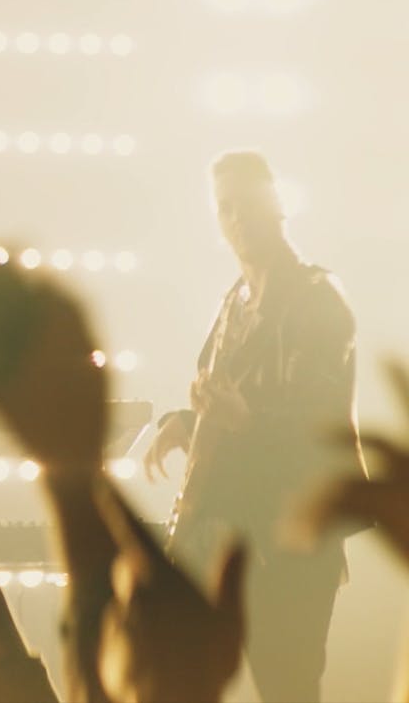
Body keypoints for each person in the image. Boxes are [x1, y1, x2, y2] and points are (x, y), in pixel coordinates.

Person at [141, 150, 363, 702]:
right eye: (225, 209)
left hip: (290, 535)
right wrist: (186, 422)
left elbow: (318, 424)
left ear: (278, 204)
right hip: (224, 523)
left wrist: (247, 420)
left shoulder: (317, 299)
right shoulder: (234, 302)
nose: (237, 220)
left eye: (248, 205)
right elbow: (231, 403)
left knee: (287, 688)